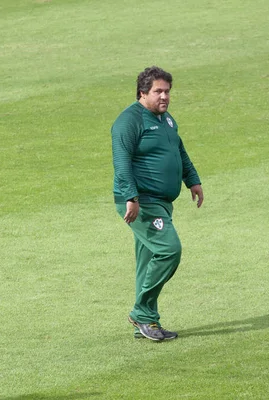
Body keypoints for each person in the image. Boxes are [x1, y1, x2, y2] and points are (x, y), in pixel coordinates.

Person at [111, 66, 204, 341]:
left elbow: (178, 150)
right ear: (142, 93)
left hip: (161, 202)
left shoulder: (166, 120)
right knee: (169, 250)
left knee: (148, 259)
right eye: (158, 92)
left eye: (167, 91)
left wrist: (192, 180)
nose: (164, 97)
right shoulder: (128, 122)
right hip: (142, 202)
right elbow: (121, 161)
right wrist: (131, 197)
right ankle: (141, 311)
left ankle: (147, 321)